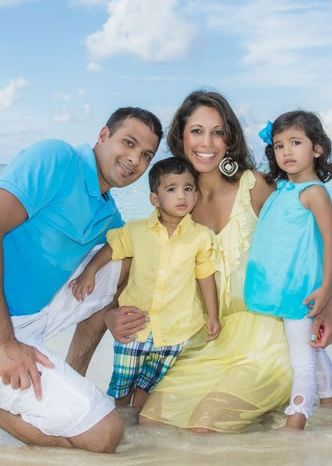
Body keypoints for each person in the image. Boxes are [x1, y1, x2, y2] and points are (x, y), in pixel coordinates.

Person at [0, 107, 161, 453]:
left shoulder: (108, 214)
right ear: (103, 136)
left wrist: (110, 315)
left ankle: (72, 380)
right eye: (128, 143)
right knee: (104, 435)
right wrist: (4, 344)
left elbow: (127, 268)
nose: (134, 159)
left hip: (31, 318)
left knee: (124, 256)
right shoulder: (56, 158)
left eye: (145, 155)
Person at [103, 90, 332, 433]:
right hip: (207, 341)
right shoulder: (174, 203)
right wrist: (111, 312)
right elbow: (139, 267)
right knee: (151, 425)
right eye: (196, 131)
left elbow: (304, 243)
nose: (207, 142)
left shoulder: (254, 185)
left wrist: (328, 303)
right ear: (180, 138)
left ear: (229, 139)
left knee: (205, 425)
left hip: (265, 338)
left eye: (217, 132)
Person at [69, 156, 220, 409]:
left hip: (175, 328)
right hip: (135, 326)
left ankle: (138, 430)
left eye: (188, 189)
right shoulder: (136, 230)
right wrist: (90, 271)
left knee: (148, 386)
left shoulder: (200, 237)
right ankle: (120, 419)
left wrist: (213, 316)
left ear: (196, 196)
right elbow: (111, 249)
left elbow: (205, 275)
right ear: (155, 199)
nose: (181, 196)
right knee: (122, 384)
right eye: (172, 189)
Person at [244, 110, 332, 430]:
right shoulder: (281, 188)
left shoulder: (314, 193)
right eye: (279, 145)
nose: (286, 151)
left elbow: (330, 243)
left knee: (301, 360)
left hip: (300, 287)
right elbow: (238, 172)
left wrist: (326, 289)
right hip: (277, 284)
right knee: (311, 349)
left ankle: (296, 422)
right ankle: (331, 403)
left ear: (317, 149)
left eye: (296, 143)